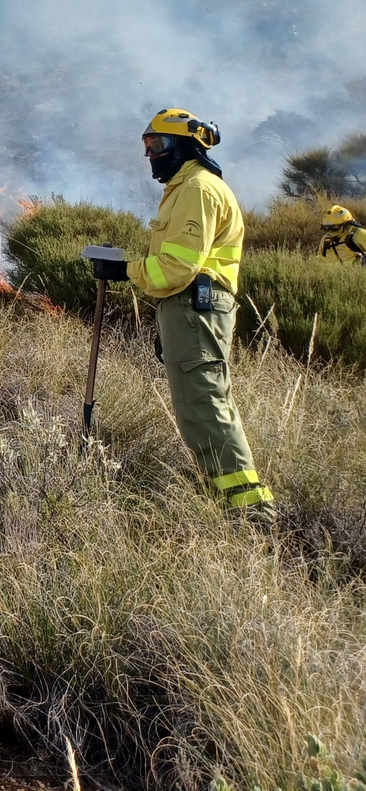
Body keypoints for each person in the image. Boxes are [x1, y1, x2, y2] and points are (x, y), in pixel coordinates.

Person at [86, 108, 275, 521]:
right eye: (147, 146)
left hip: (196, 305)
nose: (151, 154)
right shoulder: (186, 188)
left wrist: (124, 271)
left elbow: (177, 266)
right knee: (201, 404)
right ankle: (230, 499)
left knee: (204, 405)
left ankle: (250, 511)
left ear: (185, 146)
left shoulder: (197, 189)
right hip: (189, 307)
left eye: (158, 145)